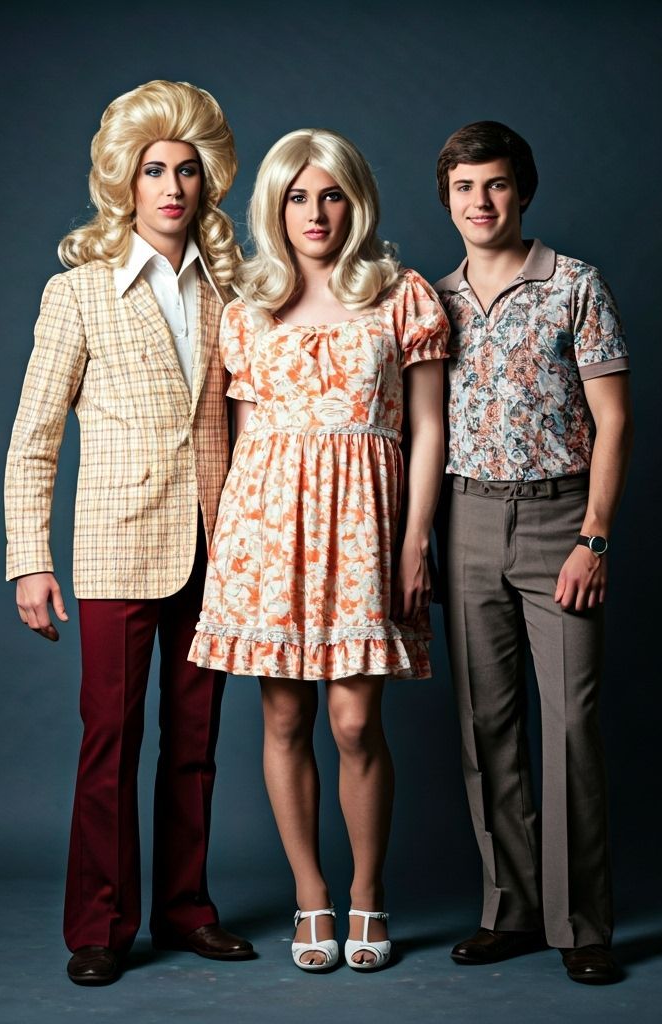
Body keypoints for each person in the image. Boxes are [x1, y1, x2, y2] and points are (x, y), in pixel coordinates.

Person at [3, 79, 253, 986]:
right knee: (108, 737)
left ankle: (187, 910)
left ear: (209, 181)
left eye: (187, 169)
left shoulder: (235, 293)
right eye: (155, 170)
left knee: (196, 742)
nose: (173, 186)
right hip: (115, 544)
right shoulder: (77, 295)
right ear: (126, 182)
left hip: (217, 546)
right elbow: (34, 439)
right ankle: (100, 929)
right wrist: (29, 559)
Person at [189, 129, 449, 972]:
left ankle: (367, 893)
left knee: (354, 719)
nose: (315, 212)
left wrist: (417, 540)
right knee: (284, 715)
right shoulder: (246, 307)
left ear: (356, 200)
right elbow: (233, 440)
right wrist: (229, 551)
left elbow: (428, 428)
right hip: (266, 533)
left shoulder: (401, 295)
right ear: (274, 206)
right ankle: (311, 897)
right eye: (297, 196)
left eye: (330, 194)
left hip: (368, 529)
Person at [434, 121, 633, 985]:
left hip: (559, 521)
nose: (482, 203)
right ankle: (509, 909)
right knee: (486, 726)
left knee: (571, 725)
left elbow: (615, 419)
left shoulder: (575, 285)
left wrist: (595, 537)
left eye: (497, 185)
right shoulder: (428, 298)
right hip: (467, 519)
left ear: (524, 190)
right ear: (447, 199)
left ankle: (582, 924)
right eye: (464, 189)